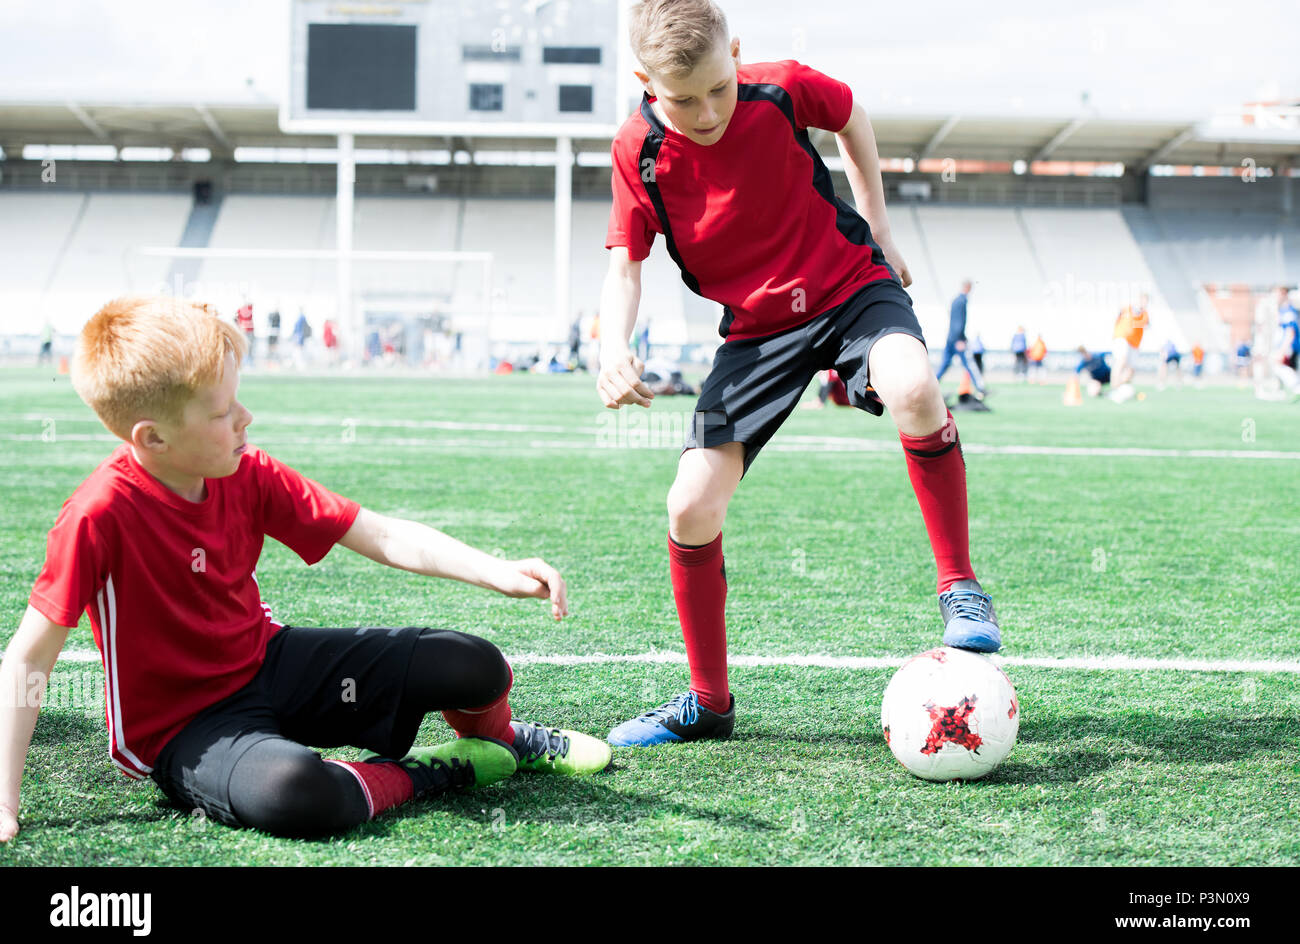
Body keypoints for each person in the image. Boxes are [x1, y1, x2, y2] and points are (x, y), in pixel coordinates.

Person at [0, 296, 611, 844]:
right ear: (153, 438)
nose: (245, 418)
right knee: (297, 792)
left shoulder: (247, 470)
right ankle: (420, 771)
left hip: (269, 665)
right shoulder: (97, 515)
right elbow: (28, 658)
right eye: (221, 412)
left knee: (472, 663)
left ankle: (500, 739)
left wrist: (497, 571)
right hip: (184, 728)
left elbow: (378, 532)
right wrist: (4, 800)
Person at [596, 0, 1001, 748]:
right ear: (644, 81)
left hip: (850, 286)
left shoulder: (780, 89)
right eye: (682, 98)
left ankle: (961, 588)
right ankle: (709, 703)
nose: (707, 110)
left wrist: (878, 226)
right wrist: (611, 344)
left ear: (737, 55)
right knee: (689, 508)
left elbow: (851, 114)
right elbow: (625, 265)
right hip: (756, 333)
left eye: (719, 87)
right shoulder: (638, 151)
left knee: (914, 386)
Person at [935, 280, 985, 394]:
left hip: (951, 338)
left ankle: (932, 386)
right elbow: (959, 322)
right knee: (969, 364)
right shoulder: (962, 301)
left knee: (945, 364)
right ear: (968, 287)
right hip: (957, 340)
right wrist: (960, 339)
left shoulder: (955, 300)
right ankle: (981, 388)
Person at [1109, 293, 1149, 400]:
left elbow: (1146, 325)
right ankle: (1114, 389)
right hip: (1122, 337)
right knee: (1121, 360)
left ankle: (1119, 387)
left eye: (1145, 301)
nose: (1143, 303)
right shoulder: (1127, 309)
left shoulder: (1145, 315)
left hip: (1134, 343)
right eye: (1142, 301)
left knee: (1130, 370)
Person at [236, 301, 254, 365]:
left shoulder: (249, 308)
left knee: (250, 346)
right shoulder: (240, 310)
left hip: (249, 331)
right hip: (243, 331)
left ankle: (249, 360)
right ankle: (244, 360)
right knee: (243, 346)